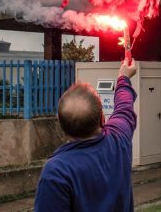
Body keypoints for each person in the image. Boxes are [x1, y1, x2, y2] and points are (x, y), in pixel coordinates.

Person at [34, 58, 138, 212]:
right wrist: (124, 78)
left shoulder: (56, 171)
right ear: (102, 118)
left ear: (60, 125)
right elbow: (124, 107)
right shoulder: (119, 139)